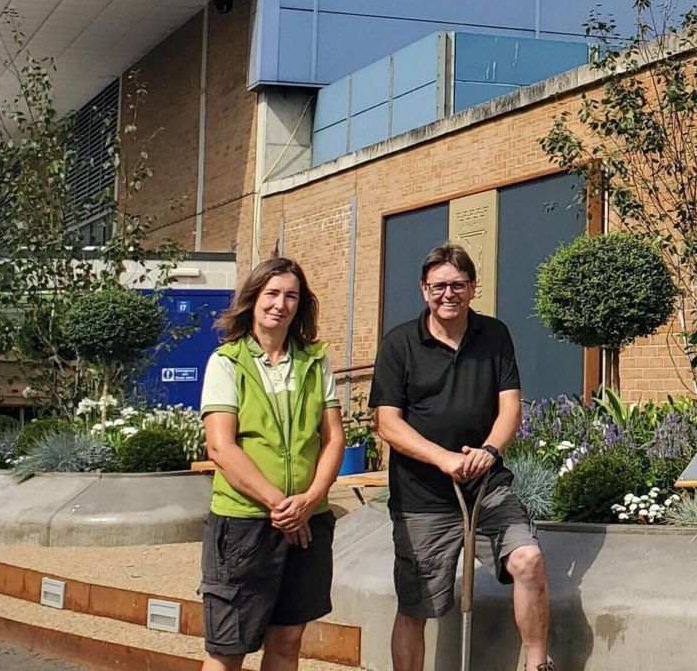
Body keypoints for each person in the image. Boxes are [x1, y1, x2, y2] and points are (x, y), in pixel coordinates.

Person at [371, 244, 550, 671]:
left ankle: (538, 664)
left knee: (529, 560)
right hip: (423, 498)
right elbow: (388, 423)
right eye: (438, 286)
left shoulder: (494, 335)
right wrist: (442, 459)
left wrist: (490, 450)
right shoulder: (399, 343)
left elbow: (510, 408)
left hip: (487, 487)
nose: (447, 294)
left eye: (457, 285)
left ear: (472, 288)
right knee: (416, 606)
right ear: (423, 290)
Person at [198, 256, 344, 671]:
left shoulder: (315, 362)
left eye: (291, 295)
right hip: (245, 523)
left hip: (307, 520)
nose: (280, 303)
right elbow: (221, 448)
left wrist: (310, 500)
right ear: (254, 298)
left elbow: (334, 438)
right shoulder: (226, 361)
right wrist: (282, 505)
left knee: (288, 638)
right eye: (272, 293)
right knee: (228, 648)